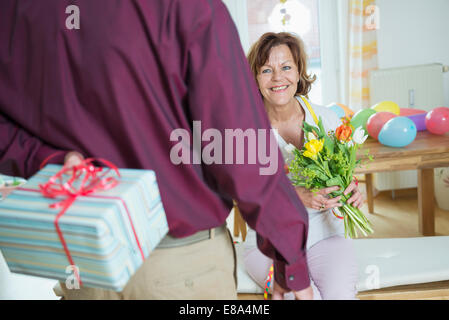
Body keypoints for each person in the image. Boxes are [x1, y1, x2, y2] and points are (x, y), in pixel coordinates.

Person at [0, 1, 313, 299]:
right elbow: (239, 146)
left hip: (86, 267)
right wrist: (290, 258)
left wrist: (46, 159)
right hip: (179, 266)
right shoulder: (184, 6)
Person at [244, 32, 362, 299]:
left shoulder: (327, 118)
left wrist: (352, 189)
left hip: (325, 235)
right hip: (268, 243)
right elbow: (245, 196)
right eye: (266, 70)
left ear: (298, 73)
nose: (277, 78)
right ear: (254, 78)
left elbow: (345, 176)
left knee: (339, 295)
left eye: (286, 67)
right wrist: (297, 196)